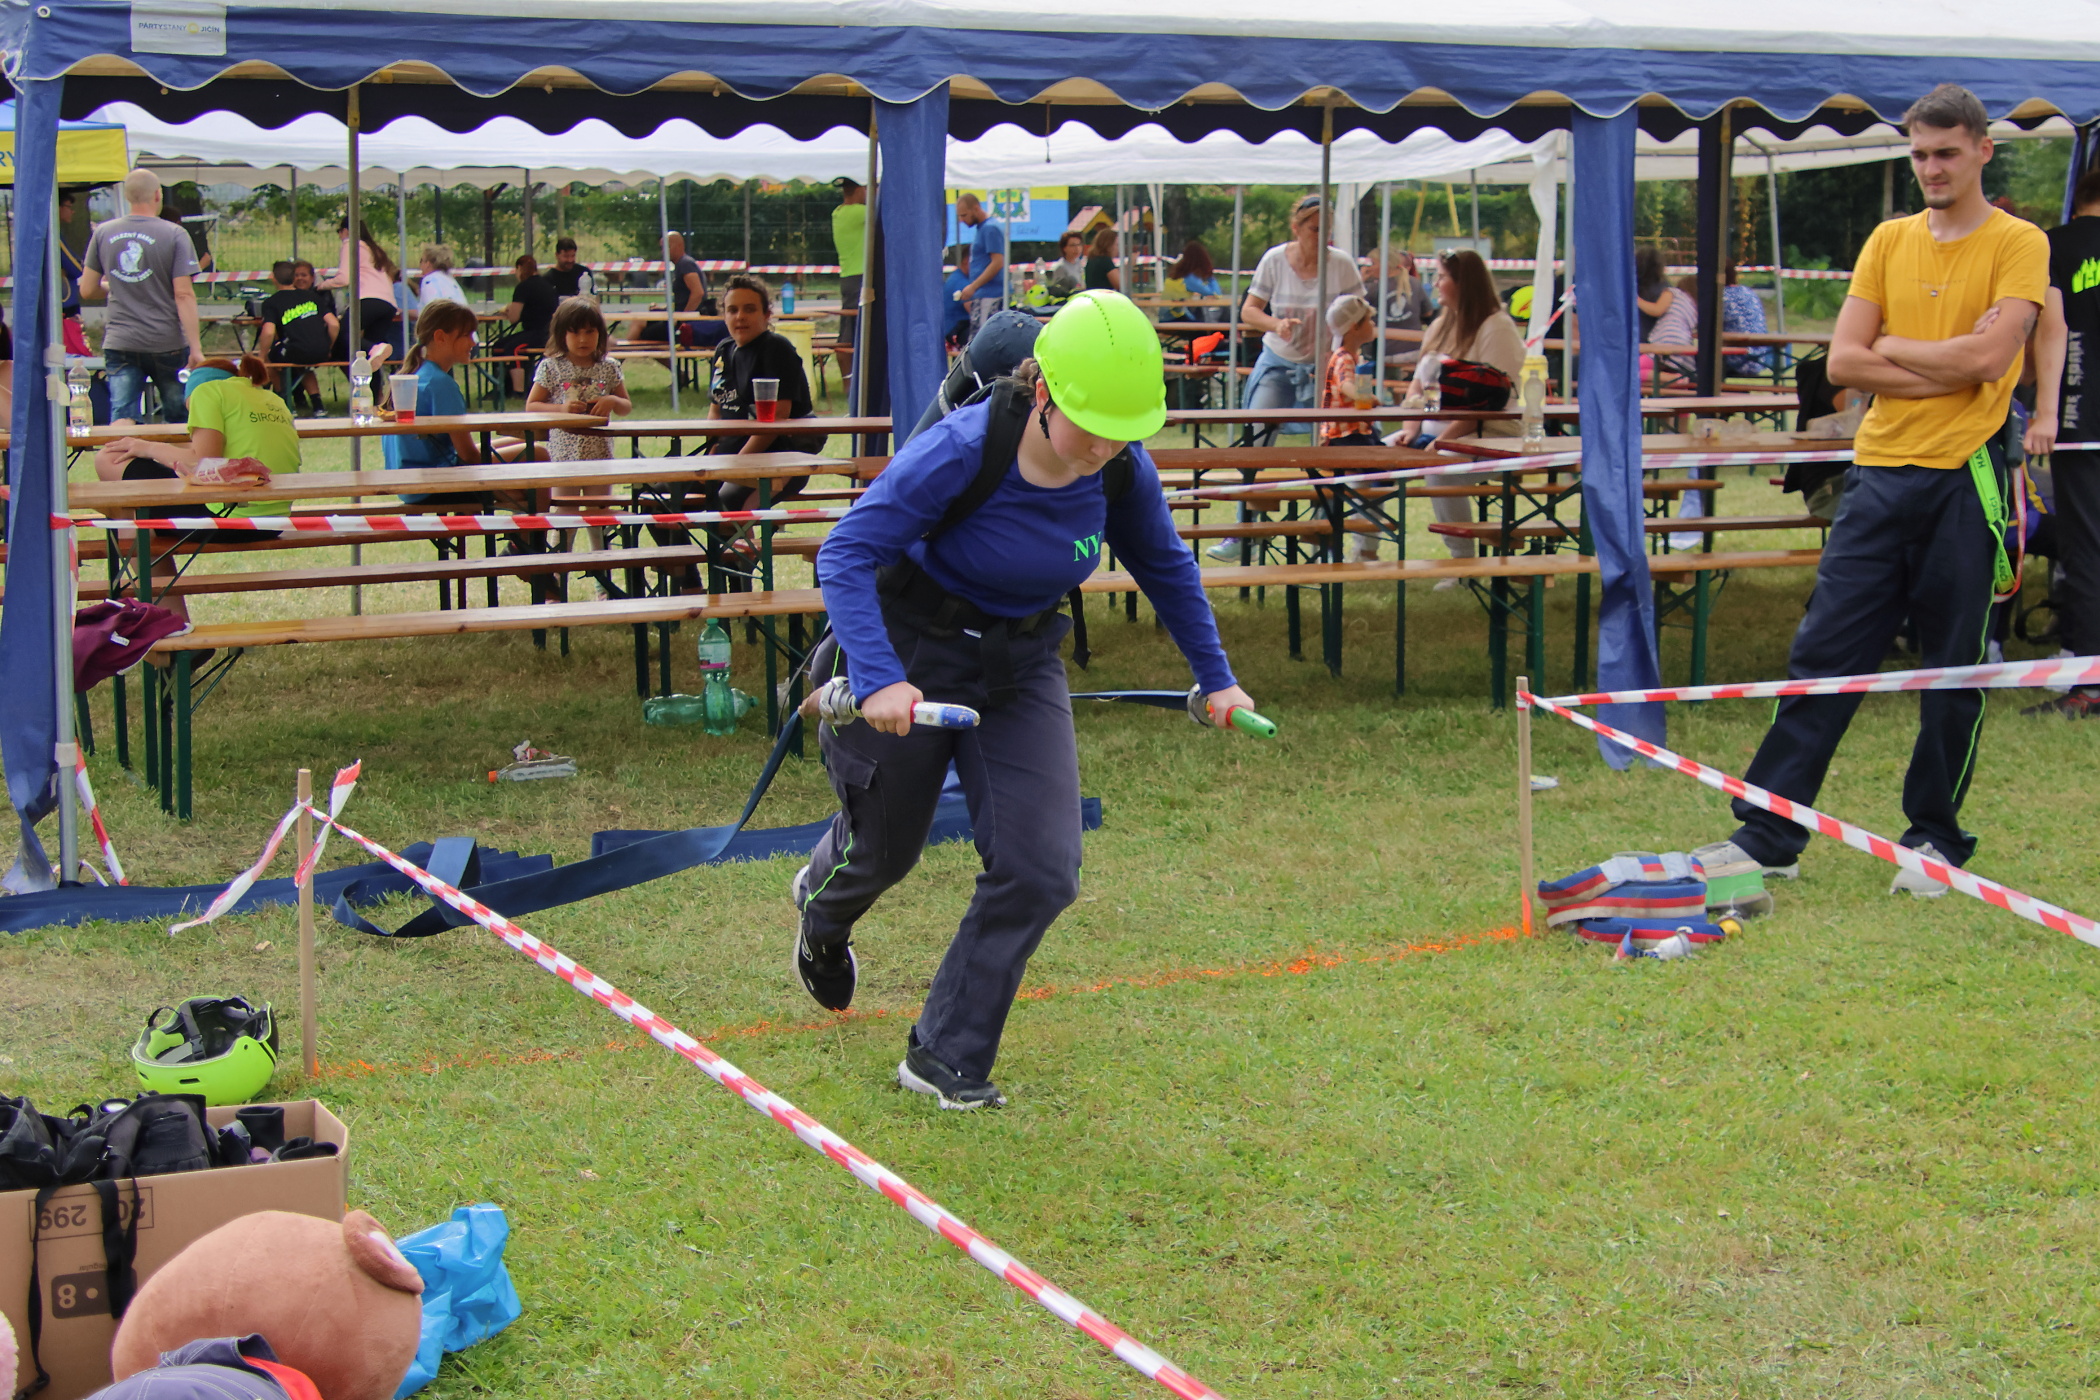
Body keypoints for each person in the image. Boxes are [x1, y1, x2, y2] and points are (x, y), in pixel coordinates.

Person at [799, 290, 1257, 1109]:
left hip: (1020, 661)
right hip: (912, 646)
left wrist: (1216, 678)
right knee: (886, 850)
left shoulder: (1120, 467)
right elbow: (845, 552)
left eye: (1123, 430)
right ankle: (821, 913)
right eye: (1092, 425)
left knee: (1042, 868)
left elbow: (1166, 565)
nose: (1106, 446)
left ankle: (944, 1056)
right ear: (1042, 391)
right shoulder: (963, 449)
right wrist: (877, 677)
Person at [1693, 84, 2047, 899]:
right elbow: (1844, 363)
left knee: (1951, 669)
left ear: (1983, 151)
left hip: (1967, 479)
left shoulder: (2018, 241)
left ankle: (1935, 840)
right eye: (1919, 154)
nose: (1931, 168)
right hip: (1878, 475)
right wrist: (1942, 360)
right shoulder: (1888, 239)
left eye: (1947, 153)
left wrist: (1898, 346)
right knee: (1822, 656)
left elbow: (1992, 361)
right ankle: (1770, 832)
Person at [90, 354, 299, 624]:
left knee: (109, 461)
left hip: (227, 519)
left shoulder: (206, 392)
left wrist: (148, 447)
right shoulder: (270, 398)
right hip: (273, 519)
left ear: (193, 391)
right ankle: (165, 618)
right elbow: (220, 456)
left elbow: (204, 462)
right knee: (134, 518)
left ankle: (168, 621)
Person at [1385, 249, 1523, 582]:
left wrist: (1443, 442)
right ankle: (1364, 551)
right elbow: (1417, 387)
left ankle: (1463, 566)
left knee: (1442, 469)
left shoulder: (1496, 327)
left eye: (1442, 277)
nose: (1434, 283)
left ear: (1463, 283)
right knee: (1371, 458)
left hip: (1492, 435)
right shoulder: (1440, 325)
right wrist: (1410, 431)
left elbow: (1488, 402)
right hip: (1434, 431)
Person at [2022, 164, 2100, 717]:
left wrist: (2042, 408)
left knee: (2087, 548)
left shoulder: (2053, 246)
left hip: (2079, 422)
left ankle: (2089, 682)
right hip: (2079, 423)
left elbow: (2045, 328)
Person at [79, 168, 205, 424]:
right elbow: (183, 294)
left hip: (121, 341)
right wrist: (196, 348)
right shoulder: (175, 234)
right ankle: (176, 452)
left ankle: (123, 451)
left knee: (123, 413)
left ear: (127, 196)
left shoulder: (103, 232)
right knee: (179, 416)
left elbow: (87, 289)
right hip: (167, 342)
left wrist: (114, 286)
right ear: (158, 195)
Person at [383, 301, 539, 506]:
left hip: (410, 482)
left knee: (520, 445)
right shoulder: (440, 383)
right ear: (441, 337)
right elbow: (468, 456)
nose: (473, 343)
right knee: (538, 454)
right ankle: (537, 524)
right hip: (431, 484)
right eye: (467, 335)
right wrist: (501, 483)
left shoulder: (416, 374)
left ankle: (519, 510)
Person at [1239, 194, 1367, 442]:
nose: (1322, 238)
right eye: (1315, 230)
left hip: (1329, 366)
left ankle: (1337, 467)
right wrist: (1277, 324)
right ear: (1296, 228)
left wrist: (1341, 350)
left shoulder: (1341, 263)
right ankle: (1253, 466)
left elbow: (1361, 315)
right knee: (1257, 432)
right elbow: (1249, 311)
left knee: (1348, 433)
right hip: (1279, 361)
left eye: (1327, 231)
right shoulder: (1274, 260)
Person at [527, 296, 631, 463]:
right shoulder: (551, 367)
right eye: (575, 332)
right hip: (563, 455)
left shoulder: (609, 367)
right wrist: (561, 409)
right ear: (562, 334)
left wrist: (612, 401)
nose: (583, 339)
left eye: (590, 332)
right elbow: (532, 406)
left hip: (600, 454)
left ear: (600, 333)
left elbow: (625, 407)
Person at [257, 258, 339, 415]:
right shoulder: (312, 297)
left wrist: (262, 356)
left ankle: (285, 403)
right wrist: (328, 347)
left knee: (270, 361)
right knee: (304, 366)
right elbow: (334, 324)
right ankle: (318, 406)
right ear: (294, 277)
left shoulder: (272, 302)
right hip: (321, 350)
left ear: (273, 278)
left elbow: (268, 332)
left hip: (295, 350)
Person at [320, 217, 400, 365]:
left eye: (339, 232)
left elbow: (344, 278)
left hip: (368, 299)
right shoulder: (374, 249)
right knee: (372, 360)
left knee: (345, 334)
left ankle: (374, 348)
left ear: (346, 231)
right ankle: (375, 371)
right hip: (388, 304)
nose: (340, 236)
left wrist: (322, 286)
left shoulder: (351, 244)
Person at [495, 254, 560, 394]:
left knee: (512, 348)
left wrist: (507, 310)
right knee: (499, 345)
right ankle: (504, 387)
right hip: (551, 333)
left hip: (536, 333)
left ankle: (518, 390)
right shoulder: (548, 285)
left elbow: (514, 318)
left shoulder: (523, 287)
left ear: (519, 268)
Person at [952, 192, 1007, 338]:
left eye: (964, 215)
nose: (961, 220)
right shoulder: (983, 228)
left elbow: (997, 262)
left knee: (983, 339)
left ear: (976, 208)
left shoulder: (990, 229)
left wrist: (973, 286)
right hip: (984, 295)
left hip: (990, 295)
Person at [1720, 262, 1774, 374]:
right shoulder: (1748, 292)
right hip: (1760, 357)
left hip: (1738, 359)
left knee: (1699, 361)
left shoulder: (1722, 297)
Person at [1635, 247, 1677, 340]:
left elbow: (1657, 310)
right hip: (1655, 339)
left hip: (1641, 337)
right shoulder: (1665, 287)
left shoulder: (1631, 286)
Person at [414, 244, 468, 309]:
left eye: (421, 260)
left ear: (428, 264)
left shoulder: (429, 281)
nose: (420, 264)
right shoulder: (450, 279)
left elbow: (432, 309)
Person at [545, 237, 595, 301]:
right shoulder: (548, 278)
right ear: (557, 255)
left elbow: (592, 297)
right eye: (566, 256)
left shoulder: (583, 273)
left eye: (573, 256)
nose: (570, 260)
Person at [1084, 226, 1121, 292]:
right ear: (1109, 245)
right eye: (1117, 245)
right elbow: (1120, 285)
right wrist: (1130, 266)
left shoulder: (1092, 259)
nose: (1118, 248)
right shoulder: (1105, 261)